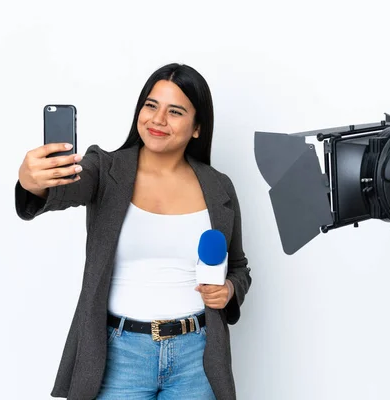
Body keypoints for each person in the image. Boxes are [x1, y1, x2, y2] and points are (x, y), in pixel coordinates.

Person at [15, 63, 252, 400]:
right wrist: (31, 181)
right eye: (151, 105)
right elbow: (62, 190)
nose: (158, 119)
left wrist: (229, 289)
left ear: (197, 127)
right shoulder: (105, 169)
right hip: (119, 355)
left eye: (175, 111)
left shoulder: (218, 187)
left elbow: (240, 266)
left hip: (196, 357)